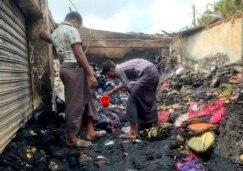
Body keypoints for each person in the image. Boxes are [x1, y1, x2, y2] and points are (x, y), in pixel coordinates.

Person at [40, 11, 106, 148]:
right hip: (73, 69)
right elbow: (79, 53)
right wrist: (90, 74)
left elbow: (51, 40)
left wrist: (46, 37)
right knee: (75, 105)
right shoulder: (71, 30)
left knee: (88, 98)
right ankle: (71, 138)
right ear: (75, 20)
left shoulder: (57, 32)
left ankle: (90, 132)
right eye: (78, 25)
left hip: (67, 69)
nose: (78, 28)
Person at [101, 59, 159, 139]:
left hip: (147, 73)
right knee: (149, 98)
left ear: (111, 70)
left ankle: (132, 132)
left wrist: (132, 94)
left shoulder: (118, 69)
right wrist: (112, 92)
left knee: (132, 101)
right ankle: (154, 123)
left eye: (107, 74)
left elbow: (128, 87)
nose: (108, 77)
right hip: (154, 71)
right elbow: (125, 83)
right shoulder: (122, 68)